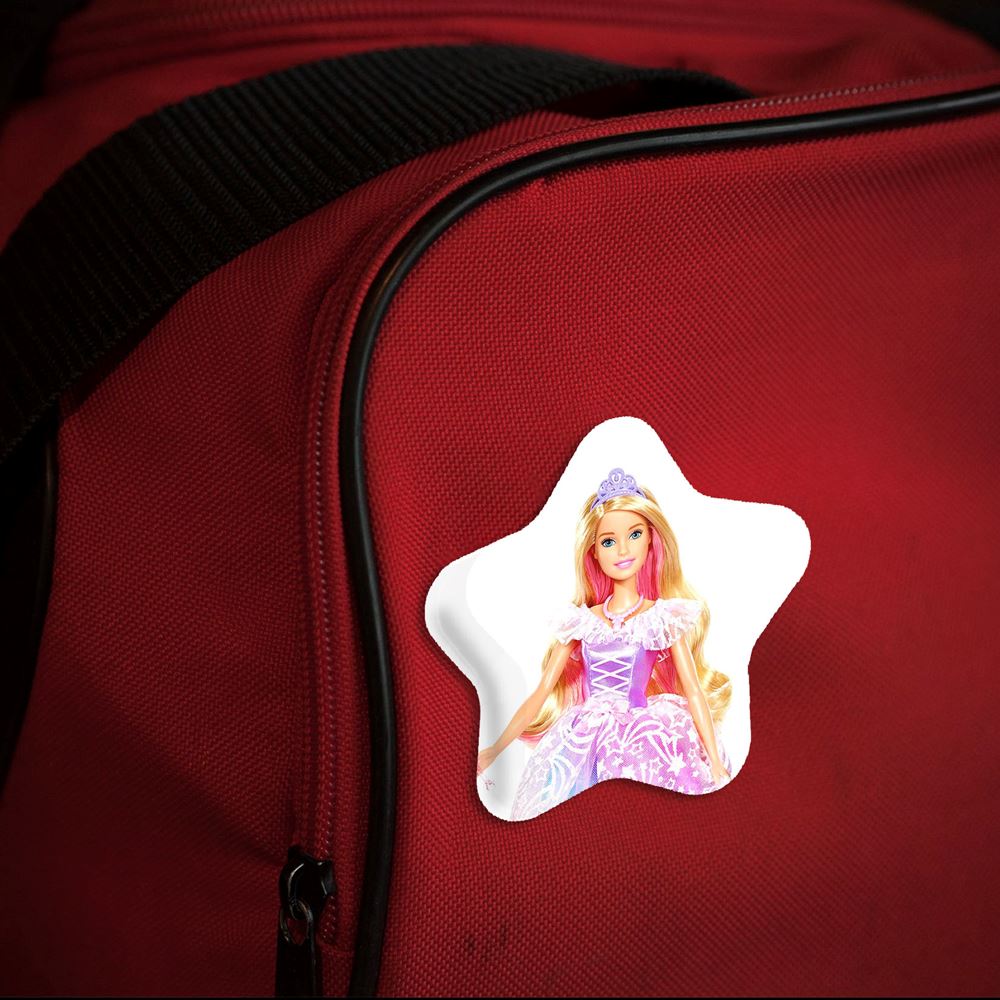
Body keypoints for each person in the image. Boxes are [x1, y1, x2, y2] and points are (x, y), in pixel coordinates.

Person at [477, 466, 732, 820]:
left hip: (645, 736)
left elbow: (694, 693)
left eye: (635, 534)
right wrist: (495, 749)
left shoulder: (662, 617)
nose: (622, 549)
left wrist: (715, 763)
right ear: (594, 552)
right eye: (608, 541)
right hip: (586, 739)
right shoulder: (582, 621)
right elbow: (541, 692)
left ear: (651, 539)